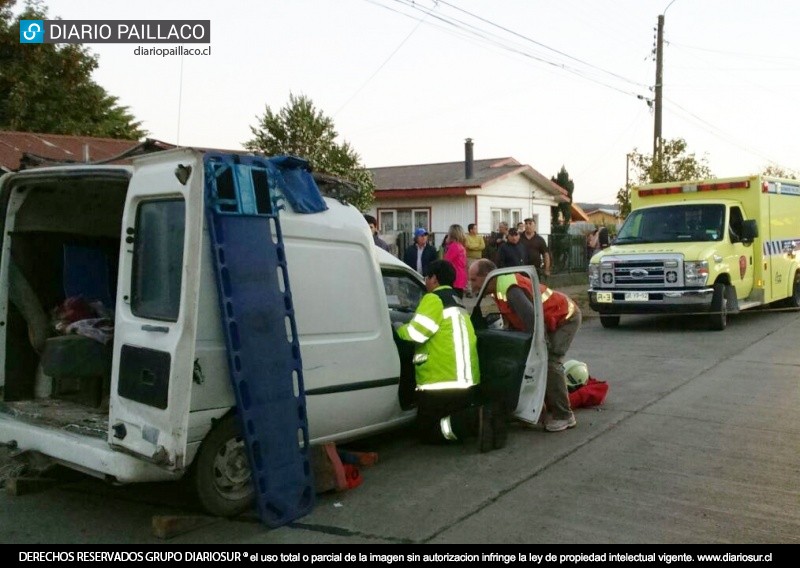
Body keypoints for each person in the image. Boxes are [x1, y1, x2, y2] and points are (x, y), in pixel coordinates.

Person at [468, 259, 581, 433]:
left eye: (474, 280)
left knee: (550, 362)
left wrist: (541, 347)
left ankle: (564, 415)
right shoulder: (499, 287)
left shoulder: (510, 289)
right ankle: (536, 409)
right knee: (533, 361)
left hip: (566, 318)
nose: (471, 285)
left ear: (487, 277)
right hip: (551, 320)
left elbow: (534, 323)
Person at [395, 260, 488, 447]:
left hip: (440, 382)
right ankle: (476, 418)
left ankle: (477, 421)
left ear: (434, 279)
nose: (425, 282)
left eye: (426, 277)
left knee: (427, 431)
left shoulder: (434, 299)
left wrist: (397, 330)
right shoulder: (455, 300)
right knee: (446, 422)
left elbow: (416, 333)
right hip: (463, 381)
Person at [443, 224, 468, 298]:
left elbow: (446, 261)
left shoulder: (454, 246)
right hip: (460, 278)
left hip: (455, 278)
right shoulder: (460, 246)